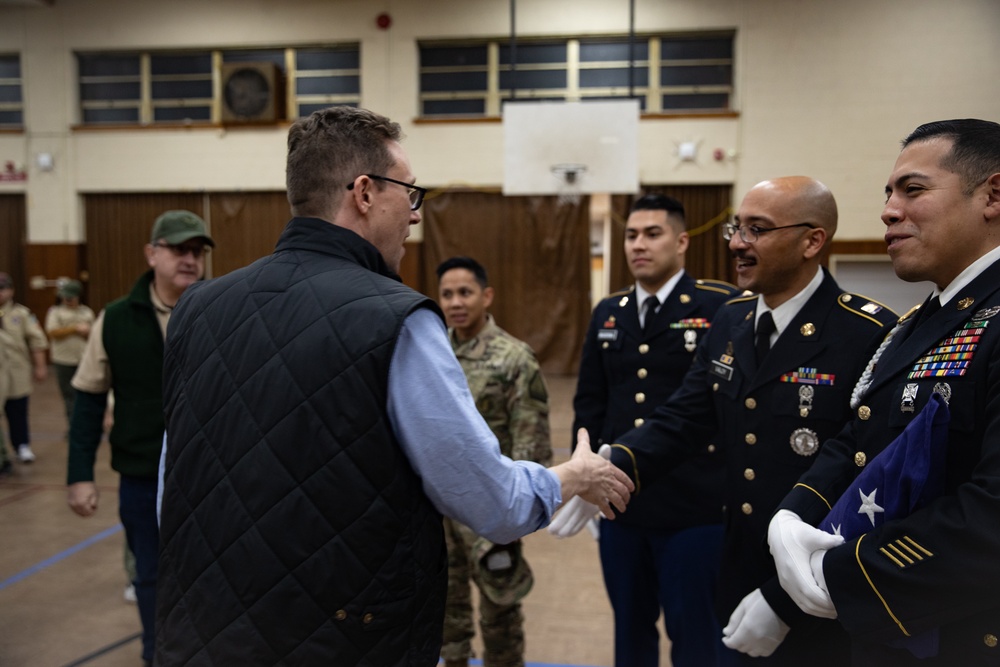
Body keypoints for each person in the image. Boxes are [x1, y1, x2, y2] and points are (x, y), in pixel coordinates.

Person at [155, 105, 632, 667]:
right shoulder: (395, 319)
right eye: (409, 193)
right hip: (345, 640)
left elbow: (173, 493)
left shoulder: (199, 309)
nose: (413, 215)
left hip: (200, 633)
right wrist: (572, 476)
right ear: (363, 192)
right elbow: (493, 502)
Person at [594, 176, 898, 665]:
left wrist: (783, 597)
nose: (737, 243)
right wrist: (615, 462)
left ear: (812, 241)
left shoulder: (867, 333)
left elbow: (868, 483)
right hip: (737, 567)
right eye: (736, 228)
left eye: (756, 229)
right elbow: (686, 416)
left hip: (818, 586)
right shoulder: (732, 320)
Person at [770, 119, 1000, 665]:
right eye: (888, 193)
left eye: (913, 190)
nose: (888, 210)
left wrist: (844, 571)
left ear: (992, 195)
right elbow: (860, 436)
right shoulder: (920, 321)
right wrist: (795, 513)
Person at [570, 194, 739, 667]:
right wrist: (585, 481)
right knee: (630, 631)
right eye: (630, 235)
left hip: (694, 504)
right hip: (622, 503)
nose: (638, 245)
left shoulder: (720, 305)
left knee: (697, 636)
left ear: (682, 241)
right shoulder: (609, 311)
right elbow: (590, 403)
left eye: (652, 233)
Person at [66, 210, 215, 667]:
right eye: (178, 249)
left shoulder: (224, 312)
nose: (189, 259)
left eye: (197, 251)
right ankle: (158, 654)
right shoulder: (114, 320)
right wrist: (79, 476)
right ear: (152, 253)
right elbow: (89, 403)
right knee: (150, 575)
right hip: (141, 477)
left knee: (213, 574)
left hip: (210, 478)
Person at [436, 256, 553, 667]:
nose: (455, 302)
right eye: (447, 294)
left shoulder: (513, 358)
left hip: (490, 509)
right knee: (445, 614)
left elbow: (532, 442)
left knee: (499, 613)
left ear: (486, 296)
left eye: (464, 292)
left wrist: (518, 511)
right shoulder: (431, 354)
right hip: (439, 507)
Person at [0, 271, 49, 466]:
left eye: (2, 289)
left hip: (16, 371)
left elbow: (36, 342)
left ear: (11, 291)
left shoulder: (22, 314)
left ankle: (22, 445)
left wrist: (41, 366)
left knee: (17, 410)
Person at [45, 279, 95, 430]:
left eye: (71, 297)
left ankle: (87, 424)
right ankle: (73, 426)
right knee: (69, 394)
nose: (68, 300)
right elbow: (52, 332)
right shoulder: (55, 312)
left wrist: (87, 332)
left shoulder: (86, 312)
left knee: (86, 393)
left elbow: (95, 336)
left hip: (83, 358)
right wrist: (74, 328)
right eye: (65, 297)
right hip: (63, 359)